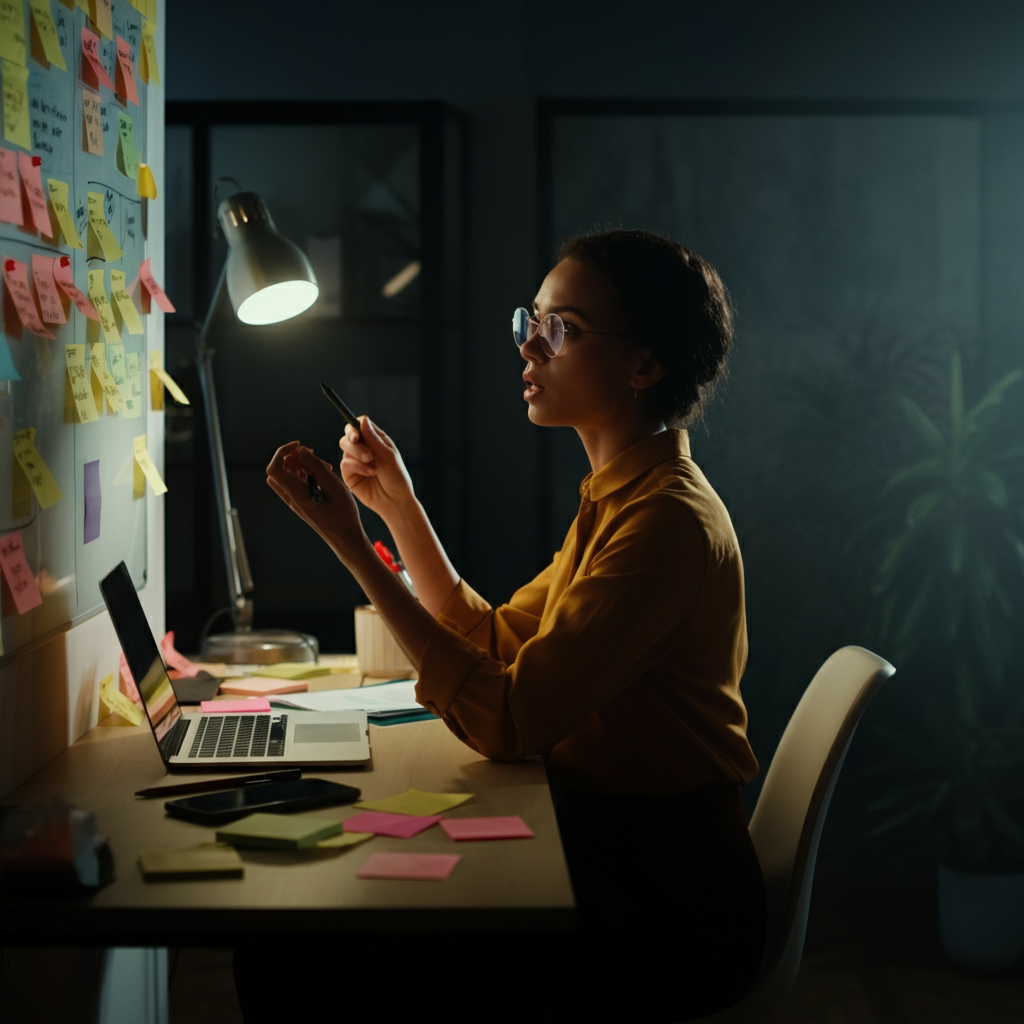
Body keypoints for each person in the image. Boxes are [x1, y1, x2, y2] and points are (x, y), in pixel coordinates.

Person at [241, 229, 765, 1022]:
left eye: (563, 330)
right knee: (314, 920)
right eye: (531, 321)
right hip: (611, 841)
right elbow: (494, 642)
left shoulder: (665, 524)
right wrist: (398, 508)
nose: (530, 349)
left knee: (305, 942)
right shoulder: (622, 499)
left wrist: (355, 547)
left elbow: (512, 718)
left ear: (645, 366)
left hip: (664, 893)